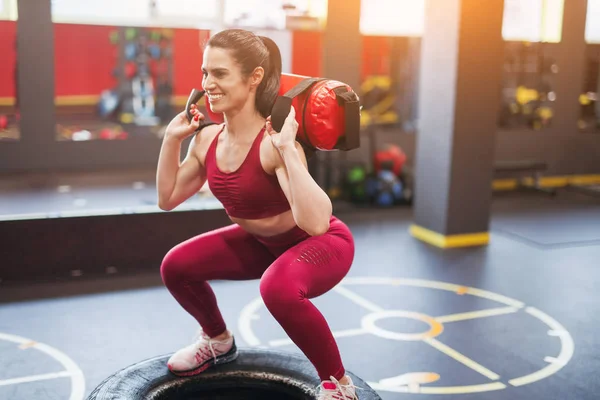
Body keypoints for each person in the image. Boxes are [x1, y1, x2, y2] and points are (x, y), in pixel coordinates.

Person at [157, 28, 358, 399]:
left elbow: (315, 224)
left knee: (276, 288)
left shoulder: (274, 142)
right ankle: (217, 341)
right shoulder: (206, 139)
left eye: (220, 74)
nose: (208, 84)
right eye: (205, 73)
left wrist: (287, 151)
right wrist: (172, 140)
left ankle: (339, 386)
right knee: (176, 266)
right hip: (263, 243)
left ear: (255, 78)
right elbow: (167, 197)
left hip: (322, 244)